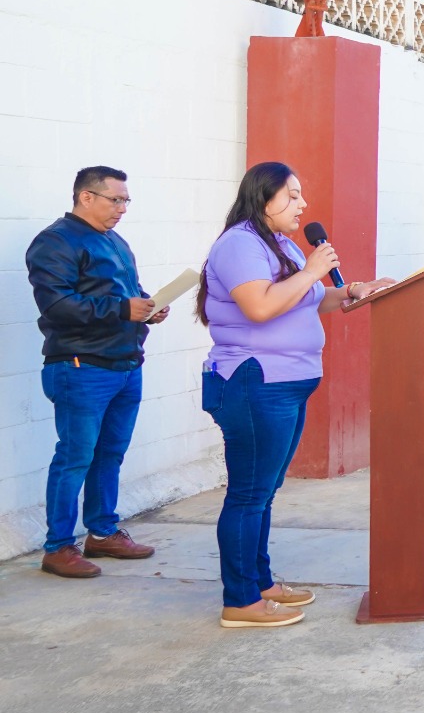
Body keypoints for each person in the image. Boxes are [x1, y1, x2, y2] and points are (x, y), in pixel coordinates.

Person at [197, 161, 392, 627]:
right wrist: (311, 270)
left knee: (264, 491)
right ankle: (240, 602)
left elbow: (301, 297)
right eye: (293, 195)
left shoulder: (279, 244)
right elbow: (261, 305)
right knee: (248, 493)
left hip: (285, 383)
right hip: (253, 382)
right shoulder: (240, 244)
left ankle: (260, 582)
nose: (303, 204)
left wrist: (351, 292)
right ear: (264, 197)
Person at [27, 166, 171, 579]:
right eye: (116, 199)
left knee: (110, 454)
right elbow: (57, 306)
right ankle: (57, 548)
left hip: (125, 363)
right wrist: (123, 309)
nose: (122, 208)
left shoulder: (115, 241)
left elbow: (125, 294)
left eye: (126, 201)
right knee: (74, 458)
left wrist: (149, 305)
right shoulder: (54, 242)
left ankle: (103, 533)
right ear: (86, 197)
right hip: (80, 367)